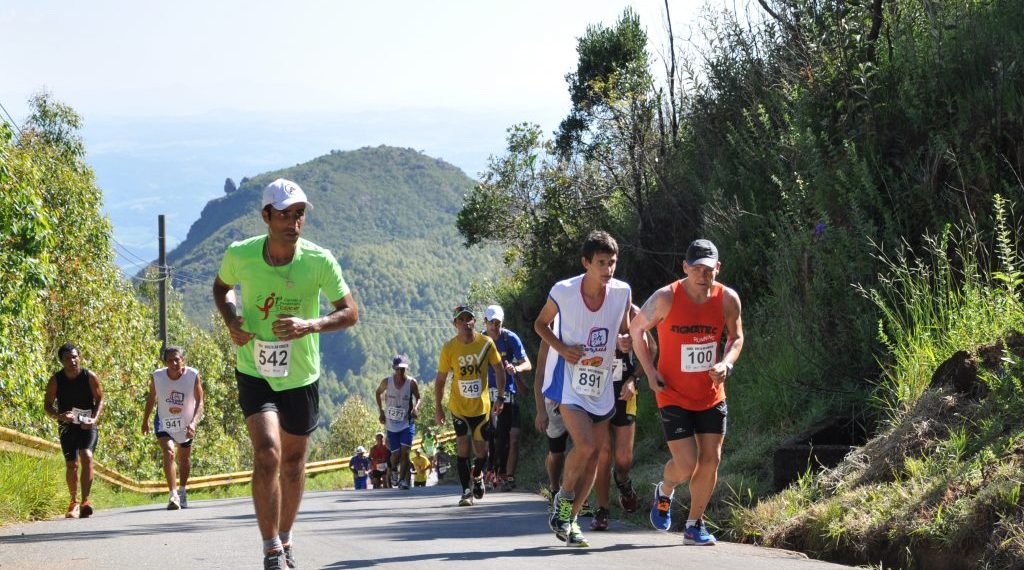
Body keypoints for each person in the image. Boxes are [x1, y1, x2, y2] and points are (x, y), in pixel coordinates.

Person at [212, 178, 358, 570]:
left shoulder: (318, 260)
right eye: (284, 215)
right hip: (254, 369)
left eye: (299, 214)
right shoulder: (240, 254)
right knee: (267, 453)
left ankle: (287, 538)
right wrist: (231, 320)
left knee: (293, 463)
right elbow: (221, 287)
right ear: (266, 216)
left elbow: (350, 313)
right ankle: (271, 548)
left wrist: (309, 325)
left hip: (301, 375)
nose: (293, 222)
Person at [630, 238, 744, 546]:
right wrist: (650, 372)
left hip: (710, 394)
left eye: (709, 269)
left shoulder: (727, 299)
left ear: (717, 268)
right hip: (673, 393)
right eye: (696, 269)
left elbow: (737, 337)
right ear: (685, 267)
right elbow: (636, 329)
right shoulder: (666, 298)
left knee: (711, 460)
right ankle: (665, 490)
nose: (703, 275)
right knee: (686, 464)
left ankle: (695, 524)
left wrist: (727, 364)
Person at [534, 230, 632, 547]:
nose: (608, 270)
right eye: (601, 263)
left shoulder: (622, 292)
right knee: (587, 446)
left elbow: (625, 332)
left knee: (598, 456)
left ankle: (571, 519)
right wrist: (562, 349)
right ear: (586, 263)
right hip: (569, 381)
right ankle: (563, 499)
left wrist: (626, 342)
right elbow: (540, 325)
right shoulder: (564, 291)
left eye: (612, 263)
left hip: (600, 382)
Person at [434, 304, 506, 506]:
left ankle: (477, 475)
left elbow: (499, 369)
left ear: (475, 321)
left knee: (482, 452)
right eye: (461, 320)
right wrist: (439, 408)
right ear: (455, 323)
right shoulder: (449, 348)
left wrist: (500, 397)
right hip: (459, 408)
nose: (466, 323)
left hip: (481, 408)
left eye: (469, 319)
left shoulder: (486, 343)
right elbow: (440, 381)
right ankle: (466, 492)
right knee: (463, 446)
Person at [591, 304, 649, 531]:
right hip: (598, 391)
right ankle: (602, 509)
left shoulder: (633, 312)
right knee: (603, 454)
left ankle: (624, 484)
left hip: (625, 392)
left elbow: (651, 350)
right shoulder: (590, 311)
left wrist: (634, 379)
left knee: (623, 459)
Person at [43, 343, 103, 519]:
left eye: (75, 357)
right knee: (72, 464)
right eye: (68, 358)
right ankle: (73, 501)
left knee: (87, 456)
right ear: (62, 361)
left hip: (87, 425)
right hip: (67, 426)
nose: (72, 361)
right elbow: (47, 405)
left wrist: (94, 419)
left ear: (79, 357)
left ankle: (85, 501)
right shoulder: (56, 380)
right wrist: (60, 416)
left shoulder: (89, 376)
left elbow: (100, 399)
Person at [141, 346, 205, 510]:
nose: (174, 363)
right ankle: (173, 494)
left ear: (183, 360)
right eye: (170, 360)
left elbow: (200, 401)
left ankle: (182, 490)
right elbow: (151, 397)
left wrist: (193, 422)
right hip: (164, 421)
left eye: (177, 359)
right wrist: (145, 419)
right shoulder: (158, 376)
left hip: (186, 423)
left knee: (184, 459)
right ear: (165, 363)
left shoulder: (193, 375)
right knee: (169, 452)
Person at [483, 304, 532, 491]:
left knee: (513, 436)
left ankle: (508, 476)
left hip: (508, 394)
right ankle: (487, 470)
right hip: (486, 395)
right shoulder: (480, 340)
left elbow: (527, 363)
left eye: (498, 323)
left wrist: (516, 369)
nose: (495, 327)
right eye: (491, 323)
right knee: (490, 436)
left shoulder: (510, 338)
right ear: (485, 322)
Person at [375, 354, 421, 490]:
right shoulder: (386, 382)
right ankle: (393, 468)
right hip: (391, 424)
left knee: (405, 452)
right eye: (397, 369)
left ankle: (402, 481)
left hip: (407, 423)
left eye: (402, 369)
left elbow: (418, 398)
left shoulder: (412, 383)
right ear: (394, 368)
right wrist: (381, 411)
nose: (400, 371)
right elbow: (377, 393)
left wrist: (416, 409)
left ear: (406, 369)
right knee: (395, 455)